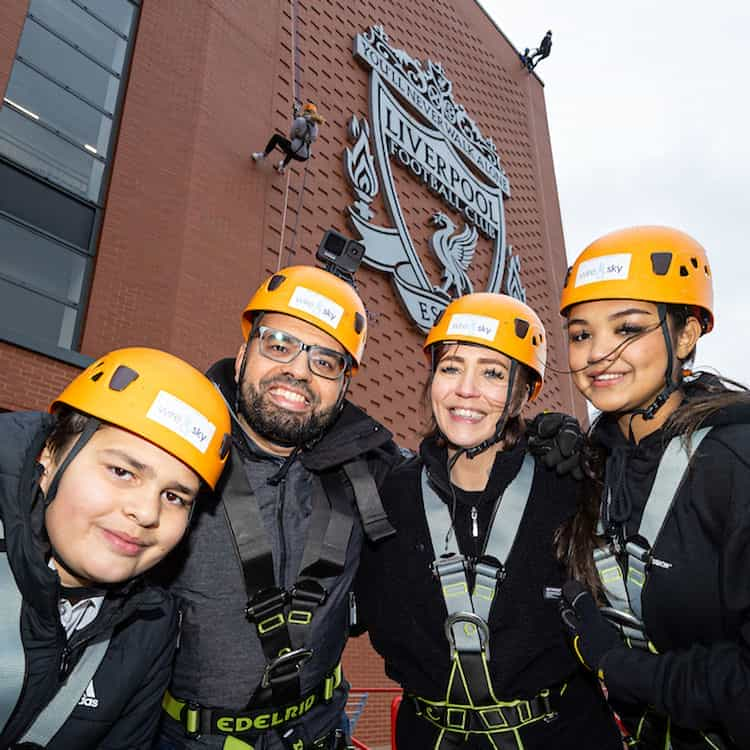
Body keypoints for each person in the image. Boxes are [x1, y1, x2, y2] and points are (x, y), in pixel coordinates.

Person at [355, 293, 622, 749]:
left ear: (524, 392)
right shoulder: (390, 496)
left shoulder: (568, 487)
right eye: (451, 367)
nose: (466, 389)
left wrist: (601, 455)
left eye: (493, 373)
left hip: (562, 733)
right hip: (431, 735)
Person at [156, 264, 401, 750]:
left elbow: (457, 483)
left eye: (326, 361)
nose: (298, 371)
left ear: (344, 386)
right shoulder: (170, 452)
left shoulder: (370, 469)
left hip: (319, 733)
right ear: (246, 350)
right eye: (279, 344)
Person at [556, 225, 750, 749]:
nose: (598, 353)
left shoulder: (733, 465)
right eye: (580, 334)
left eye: (628, 328)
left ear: (685, 334)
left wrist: (623, 668)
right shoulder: (595, 468)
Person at [0, 347, 231, 749]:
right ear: (50, 458)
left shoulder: (150, 627)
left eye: (175, 496)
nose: (146, 512)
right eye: (122, 472)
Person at [252, 102, 325, 175]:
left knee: (277, 138)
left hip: (295, 149)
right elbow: (312, 138)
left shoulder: (300, 120)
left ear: (306, 111)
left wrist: (296, 136)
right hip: (305, 157)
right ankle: (282, 166)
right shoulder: (315, 127)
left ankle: (262, 156)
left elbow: (292, 135)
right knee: (292, 149)